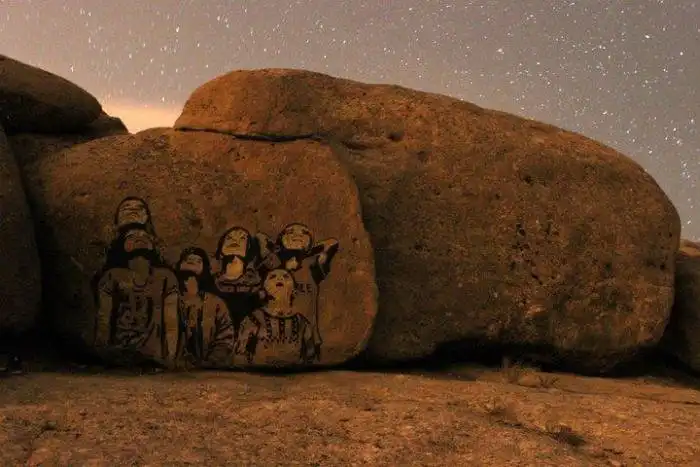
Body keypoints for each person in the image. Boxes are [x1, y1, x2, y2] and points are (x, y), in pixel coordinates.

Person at [175, 247, 234, 366]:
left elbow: (225, 338)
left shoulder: (216, 304)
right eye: (188, 260)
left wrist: (211, 362)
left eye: (198, 261)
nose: (192, 263)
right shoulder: (169, 300)